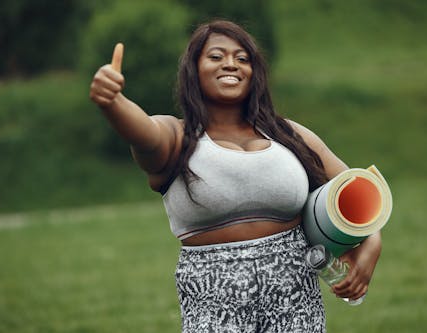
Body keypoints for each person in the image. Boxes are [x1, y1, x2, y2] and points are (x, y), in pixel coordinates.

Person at [89, 20, 381, 333]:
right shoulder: (177, 137)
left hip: (296, 298)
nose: (231, 64)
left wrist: (371, 245)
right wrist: (113, 102)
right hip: (214, 300)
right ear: (194, 69)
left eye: (242, 58)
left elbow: (359, 192)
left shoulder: (288, 134)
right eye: (216, 56)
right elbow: (142, 132)